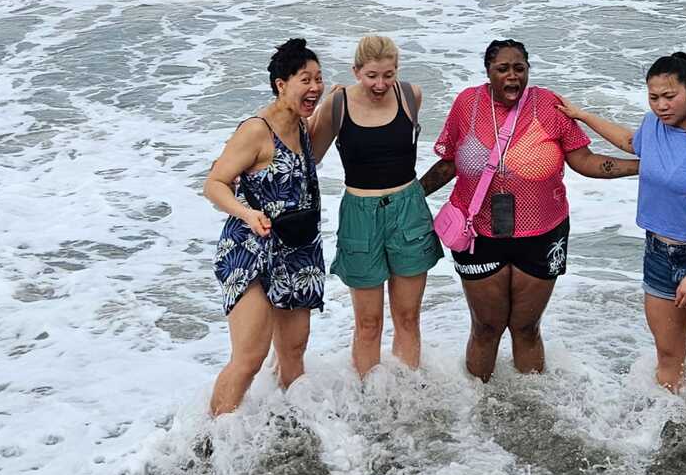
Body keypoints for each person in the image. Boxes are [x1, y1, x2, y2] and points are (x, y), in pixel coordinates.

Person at [420, 38, 639, 382]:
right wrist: (411, 197)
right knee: (486, 327)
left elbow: (584, 160)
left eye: (519, 68)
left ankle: (531, 406)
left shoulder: (548, 105)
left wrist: (642, 166)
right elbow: (449, 163)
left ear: (528, 71)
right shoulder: (467, 104)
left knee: (526, 327)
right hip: (478, 233)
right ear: (488, 72)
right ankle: (479, 408)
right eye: (502, 69)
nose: (512, 76)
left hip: (543, 232)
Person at [556, 51, 686, 411]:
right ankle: (675, 431)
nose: (662, 105)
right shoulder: (653, 126)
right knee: (668, 357)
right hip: (659, 257)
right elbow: (629, 142)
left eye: (670, 96)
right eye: (654, 97)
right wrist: (582, 116)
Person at [204, 38, 327, 416]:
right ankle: (213, 439)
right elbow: (214, 182)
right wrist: (246, 213)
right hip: (252, 250)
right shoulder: (257, 131)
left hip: (298, 250)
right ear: (281, 85)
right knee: (250, 356)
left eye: (319, 79)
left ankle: (293, 427)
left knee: (293, 353)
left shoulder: (303, 125)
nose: (315, 87)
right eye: (306, 79)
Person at [309, 34, 443, 377]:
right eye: (371, 76)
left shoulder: (412, 96)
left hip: (408, 211)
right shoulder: (338, 105)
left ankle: (405, 394)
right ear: (356, 71)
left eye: (388, 75)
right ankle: (371, 398)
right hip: (360, 215)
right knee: (368, 323)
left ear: (397, 70)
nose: (380, 84)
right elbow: (309, 157)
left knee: (408, 318)